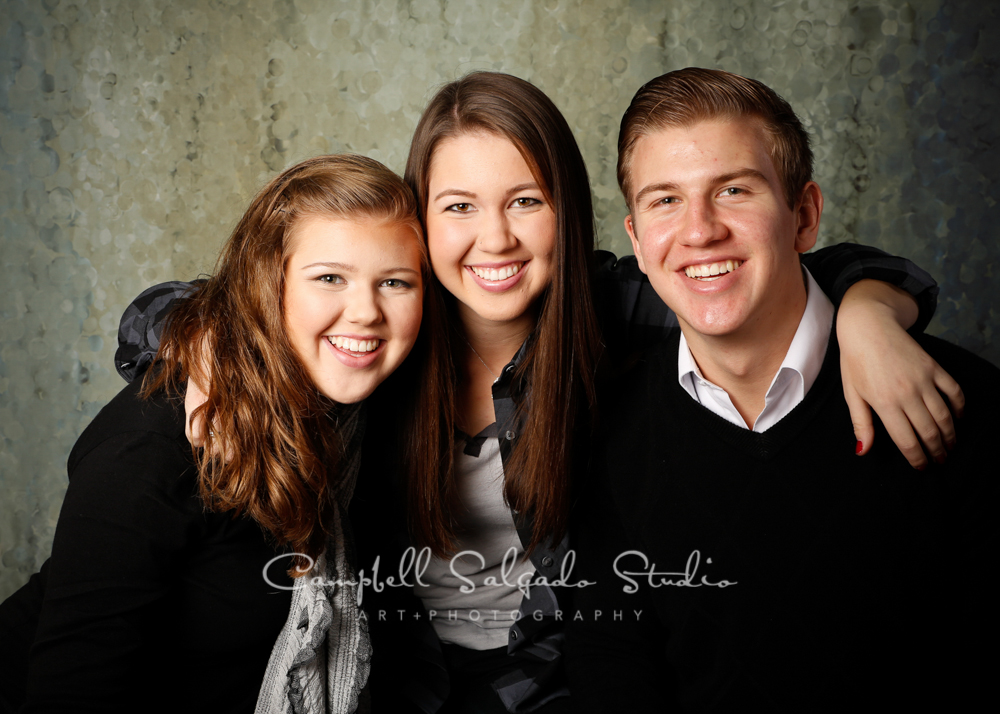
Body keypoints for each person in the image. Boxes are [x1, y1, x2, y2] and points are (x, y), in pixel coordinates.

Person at [111, 73, 953, 713]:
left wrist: (870, 316)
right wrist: (214, 341)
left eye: (526, 201)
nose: (495, 238)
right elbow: (163, 312)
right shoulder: (377, 336)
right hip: (394, 683)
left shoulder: (616, 312)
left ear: (571, 214)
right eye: (458, 207)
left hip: (557, 687)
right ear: (421, 222)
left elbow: (777, 269)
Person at [564, 67, 998, 710]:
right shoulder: (612, 437)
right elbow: (611, 670)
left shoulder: (958, 403)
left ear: (804, 215)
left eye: (733, 190)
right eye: (665, 200)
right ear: (635, 239)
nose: (700, 229)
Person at [0, 154, 428, 714]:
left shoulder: (360, 419)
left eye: (395, 282)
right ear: (267, 283)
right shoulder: (156, 443)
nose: (366, 311)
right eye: (329, 278)